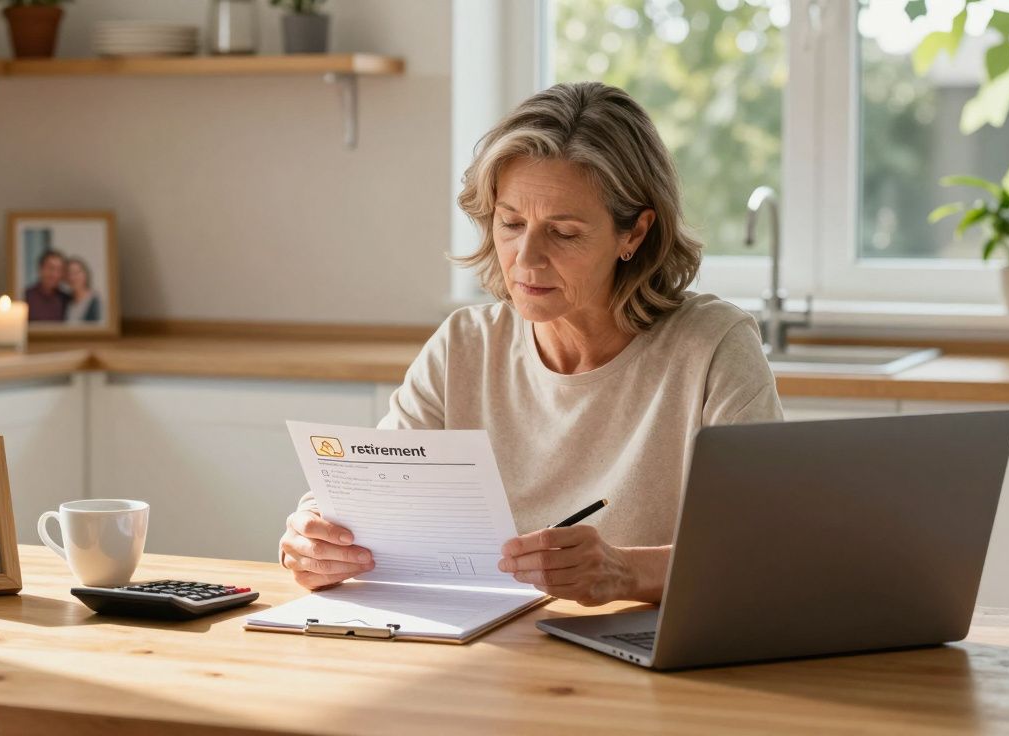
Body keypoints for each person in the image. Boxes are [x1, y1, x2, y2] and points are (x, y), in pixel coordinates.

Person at [278, 82, 783, 606]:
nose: (526, 258)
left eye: (563, 232)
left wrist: (626, 572)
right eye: (511, 223)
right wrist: (315, 539)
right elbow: (370, 501)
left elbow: (770, 549)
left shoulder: (714, 346)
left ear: (633, 234)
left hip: (643, 663)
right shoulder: (463, 346)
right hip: (488, 657)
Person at [25, 250, 70, 321]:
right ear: (40, 269)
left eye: (59, 270)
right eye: (51, 268)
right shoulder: (26, 296)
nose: (54, 274)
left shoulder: (66, 300)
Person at [63, 256, 102, 324]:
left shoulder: (96, 301)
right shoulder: (66, 301)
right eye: (69, 273)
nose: (72, 277)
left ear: (85, 275)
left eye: (76, 273)